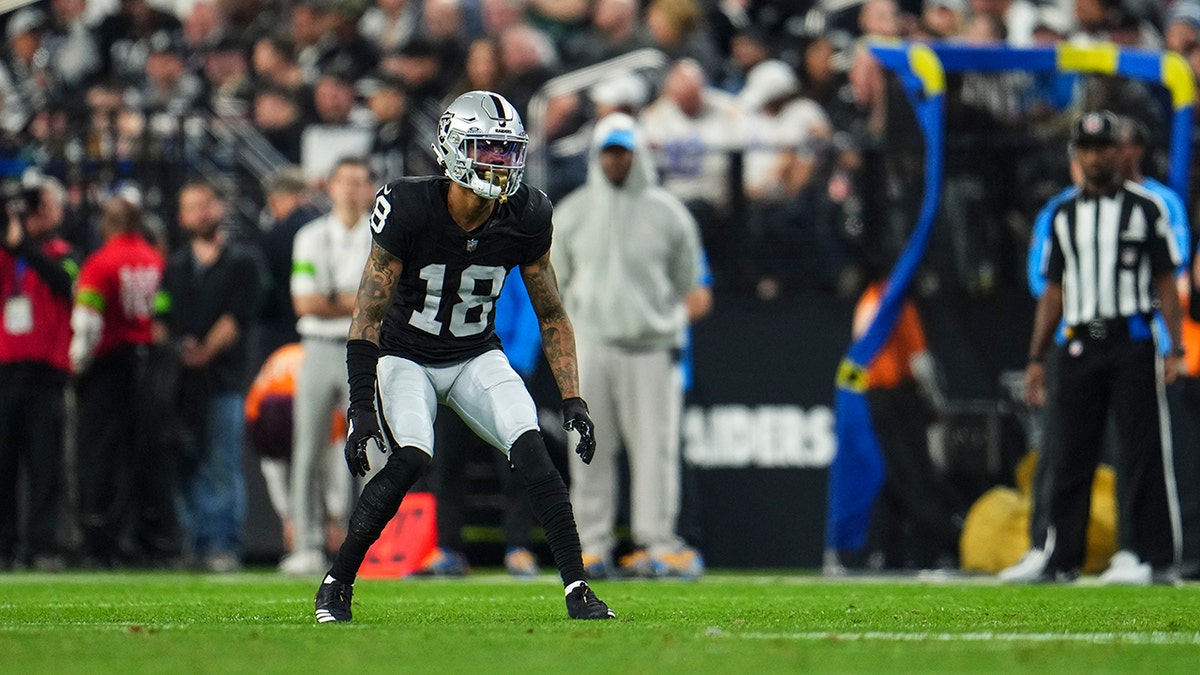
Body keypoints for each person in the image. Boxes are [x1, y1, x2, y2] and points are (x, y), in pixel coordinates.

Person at [314, 90, 615, 622]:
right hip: (406, 356)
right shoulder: (407, 206)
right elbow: (366, 318)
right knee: (412, 456)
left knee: (534, 450)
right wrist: (362, 405)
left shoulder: (528, 213)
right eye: (487, 149)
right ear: (453, 149)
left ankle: (578, 591)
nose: (500, 164)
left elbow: (551, 313)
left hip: (476, 352)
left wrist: (573, 398)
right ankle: (336, 583)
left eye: (507, 151)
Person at [1021, 110, 1184, 583]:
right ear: (1076, 155)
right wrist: (1035, 357)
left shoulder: (1147, 208)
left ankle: (1148, 556)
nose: (1095, 157)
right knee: (1070, 454)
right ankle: (1061, 556)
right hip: (1078, 341)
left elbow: (1166, 281)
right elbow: (1054, 290)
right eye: (1087, 149)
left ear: (1121, 152)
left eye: (1104, 148)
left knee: (1141, 452)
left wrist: (1173, 348)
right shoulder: (1063, 215)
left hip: (1130, 337)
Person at [551, 112, 706, 579]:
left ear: (637, 154)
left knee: (654, 451)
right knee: (589, 451)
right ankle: (591, 546)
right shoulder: (574, 211)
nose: (616, 159)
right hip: (593, 347)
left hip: (650, 349)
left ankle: (657, 542)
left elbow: (693, 289)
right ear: (597, 155)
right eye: (608, 151)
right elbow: (552, 285)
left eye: (623, 151)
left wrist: (666, 321)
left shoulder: (669, 213)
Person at [158, 181, 263, 573]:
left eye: (207, 204)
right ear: (183, 217)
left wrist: (203, 352)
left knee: (221, 464)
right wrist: (175, 349)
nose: (201, 212)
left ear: (219, 209)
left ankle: (222, 545)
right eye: (193, 206)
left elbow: (238, 316)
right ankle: (192, 544)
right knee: (186, 462)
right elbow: (160, 317)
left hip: (222, 380)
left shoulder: (242, 261)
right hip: (181, 386)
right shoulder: (175, 265)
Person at [70, 193, 176, 568]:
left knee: (100, 455)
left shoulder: (100, 263)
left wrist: (77, 365)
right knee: (145, 454)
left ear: (107, 223)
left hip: (108, 367)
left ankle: (100, 541)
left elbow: (87, 322)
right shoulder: (155, 260)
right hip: (149, 365)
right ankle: (152, 539)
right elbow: (163, 315)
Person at [282, 156, 376, 576]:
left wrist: (337, 300)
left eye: (360, 181)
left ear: (370, 187)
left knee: (373, 447)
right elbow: (305, 302)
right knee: (309, 448)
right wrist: (358, 302)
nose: (353, 190)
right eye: (346, 181)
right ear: (331, 187)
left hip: (367, 348)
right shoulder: (310, 236)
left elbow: (387, 305)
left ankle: (371, 545)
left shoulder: (383, 234)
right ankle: (306, 543)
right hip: (319, 346)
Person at [0, 173, 74, 571]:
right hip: (6, 369)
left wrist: (22, 244)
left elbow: (64, 281)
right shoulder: (7, 255)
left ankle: (43, 544)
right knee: (4, 463)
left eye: (42, 203)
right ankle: (5, 544)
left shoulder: (63, 251)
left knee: (46, 466)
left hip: (47, 372)